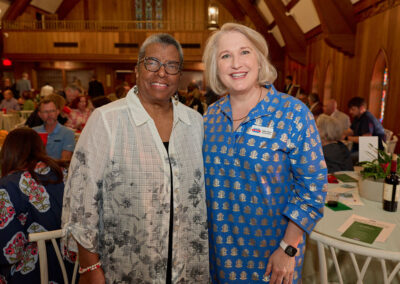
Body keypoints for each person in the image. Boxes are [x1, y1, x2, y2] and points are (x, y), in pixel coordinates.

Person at [62, 33, 209, 283]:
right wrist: (89, 266)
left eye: (171, 66)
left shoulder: (194, 122)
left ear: (179, 75)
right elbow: (80, 199)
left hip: (186, 266)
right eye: (152, 62)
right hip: (126, 266)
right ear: (137, 69)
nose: (161, 73)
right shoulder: (107, 120)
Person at [202, 23, 327, 283]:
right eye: (225, 56)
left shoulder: (293, 114)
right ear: (216, 66)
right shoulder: (209, 117)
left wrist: (288, 248)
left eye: (245, 52)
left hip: (274, 261)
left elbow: (312, 190)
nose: (236, 63)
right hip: (218, 260)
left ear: (259, 59)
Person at [0, 128, 76, 283]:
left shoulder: (8, 186)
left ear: (7, 153)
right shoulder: (67, 173)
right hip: (71, 267)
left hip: (32, 273)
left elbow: (10, 254)